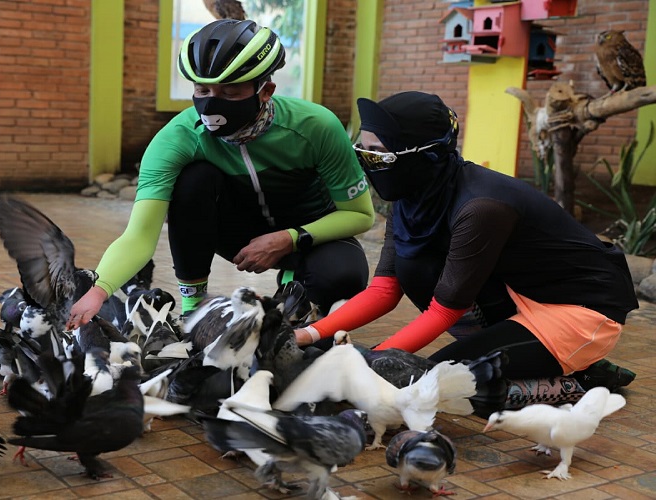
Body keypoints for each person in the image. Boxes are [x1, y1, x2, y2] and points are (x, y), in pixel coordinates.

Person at [294, 90, 638, 404]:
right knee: (416, 273)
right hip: (519, 297)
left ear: (423, 156)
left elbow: (445, 311)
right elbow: (385, 290)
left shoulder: (481, 207)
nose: (369, 165)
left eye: (379, 156)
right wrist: (309, 334)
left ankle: (582, 379)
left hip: (580, 312)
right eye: (363, 152)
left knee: (439, 383)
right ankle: (537, 357)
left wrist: (373, 362)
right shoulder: (412, 196)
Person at [67, 19, 374, 329]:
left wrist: (288, 239)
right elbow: (139, 236)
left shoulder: (316, 126)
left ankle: (294, 293)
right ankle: (193, 306)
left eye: (230, 92)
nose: (211, 103)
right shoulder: (178, 138)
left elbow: (361, 215)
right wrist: (98, 291)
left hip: (310, 233)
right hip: (238, 233)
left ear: (265, 91)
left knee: (344, 278)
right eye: (202, 89)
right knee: (193, 179)